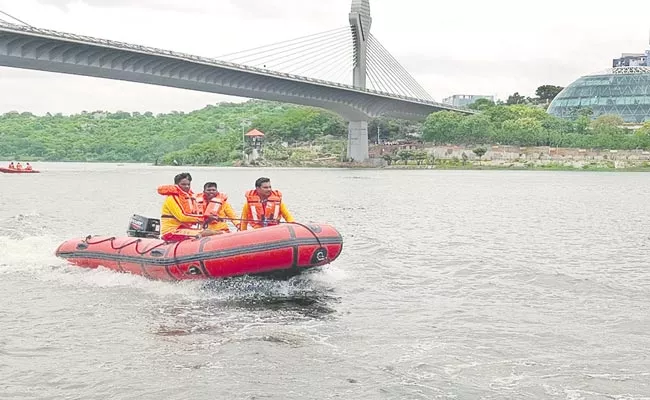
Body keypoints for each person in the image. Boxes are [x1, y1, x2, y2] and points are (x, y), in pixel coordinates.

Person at [157, 172, 219, 241]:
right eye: (183, 184)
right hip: (171, 231)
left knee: (214, 232)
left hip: (183, 229)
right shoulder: (171, 198)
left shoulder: (188, 198)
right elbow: (182, 217)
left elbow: (194, 216)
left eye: (188, 184)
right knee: (208, 233)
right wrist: (203, 219)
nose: (186, 187)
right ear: (176, 185)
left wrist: (208, 219)